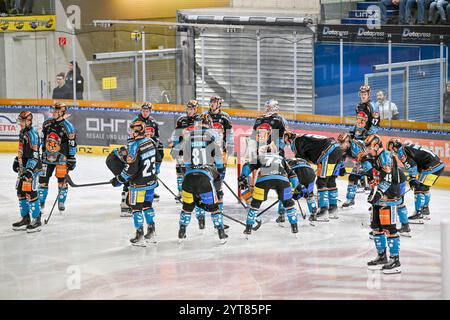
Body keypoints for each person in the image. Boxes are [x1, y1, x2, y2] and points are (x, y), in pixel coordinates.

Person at [239, 124, 299, 238]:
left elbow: (247, 166)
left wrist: (243, 176)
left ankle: (248, 229)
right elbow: (292, 175)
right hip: (282, 180)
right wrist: (295, 188)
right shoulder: (281, 158)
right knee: (289, 204)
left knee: (255, 204)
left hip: (264, 179)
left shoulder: (260, 156)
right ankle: (294, 227)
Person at [110, 120, 162, 246]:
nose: (131, 132)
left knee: (136, 208)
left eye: (132, 130)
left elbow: (130, 169)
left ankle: (140, 236)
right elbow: (158, 159)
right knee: (147, 205)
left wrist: (119, 180)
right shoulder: (151, 141)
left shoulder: (134, 146)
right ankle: (151, 232)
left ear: (137, 131)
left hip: (138, 185)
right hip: (151, 182)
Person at [178, 113, 228, 243]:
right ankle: (221, 232)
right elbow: (218, 155)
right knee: (214, 205)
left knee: (187, 207)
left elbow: (186, 160)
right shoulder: (213, 134)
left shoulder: (191, 135)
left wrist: (190, 172)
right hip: (206, 175)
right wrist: (221, 172)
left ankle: (182, 232)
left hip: (189, 177)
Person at [362, 134, 402, 274]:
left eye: (369, 148)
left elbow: (388, 178)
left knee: (389, 228)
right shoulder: (374, 157)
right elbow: (375, 176)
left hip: (389, 196)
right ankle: (382, 256)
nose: (368, 151)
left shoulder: (385, 157)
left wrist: (377, 193)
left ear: (377, 146)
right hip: (379, 197)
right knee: (376, 227)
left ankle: (395, 260)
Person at [284, 132, 343, 221]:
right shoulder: (303, 137)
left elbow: (301, 164)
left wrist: (299, 185)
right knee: (331, 181)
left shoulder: (296, 142)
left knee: (321, 182)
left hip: (327, 151)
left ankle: (323, 211)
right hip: (336, 149)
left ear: (289, 139)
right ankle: (333, 209)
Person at [387, 138, 444, 223]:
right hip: (438, 165)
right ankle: (425, 210)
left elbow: (412, 166)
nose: (392, 151)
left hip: (431, 167)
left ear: (394, 147)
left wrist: (412, 178)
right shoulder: (406, 146)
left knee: (419, 188)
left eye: (391, 149)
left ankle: (419, 213)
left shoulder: (401, 151)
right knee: (425, 187)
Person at [39, 103, 77, 213]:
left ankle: (61, 201)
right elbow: (43, 139)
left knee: (62, 182)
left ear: (62, 113)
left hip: (62, 159)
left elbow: (72, 143)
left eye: (56, 111)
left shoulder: (68, 127)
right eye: (53, 111)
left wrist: (71, 157)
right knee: (43, 181)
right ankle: (41, 202)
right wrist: (42, 152)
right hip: (47, 157)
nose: (53, 113)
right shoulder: (47, 124)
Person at [12, 111, 42, 233]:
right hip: (23, 169)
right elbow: (22, 151)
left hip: (32, 169)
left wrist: (29, 169)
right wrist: (16, 160)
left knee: (31, 193)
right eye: (20, 120)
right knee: (20, 192)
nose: (20, 123)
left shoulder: (32, 134)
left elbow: (35, 155)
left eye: (23, 120)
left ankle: (37, 219)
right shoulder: (22, 132)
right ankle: (25, 218)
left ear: (29, 121)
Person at [133, 102, 164, 201]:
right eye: (143, 111)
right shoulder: (136, 121)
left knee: (160, 150)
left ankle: (151, 188)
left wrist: (153, 143)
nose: (145, 113)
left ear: (150, 111)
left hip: (150, 146)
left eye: (147, 111)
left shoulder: (153, 122)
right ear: (141, 111)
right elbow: (132, 136)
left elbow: (157, 137)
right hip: (139, 147)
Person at [337, 132, 369, 208]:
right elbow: (341, 159)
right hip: (360, 159)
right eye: (339, 143)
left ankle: (365, 184)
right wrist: (341, 168)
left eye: (342, 143)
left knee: (353, 177)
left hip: (367, 159)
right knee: (354, 176)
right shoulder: (344, 148)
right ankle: (351, 199)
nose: (340, 145)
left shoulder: (355, 149)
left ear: (348, 142)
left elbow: (364, 162)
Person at [106, 146, 132, 217]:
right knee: (129, 180)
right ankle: (126, 205)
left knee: (129, 179)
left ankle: (126, 198)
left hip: (116, 158)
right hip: (114, 160)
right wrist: (118, 180)